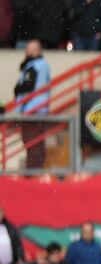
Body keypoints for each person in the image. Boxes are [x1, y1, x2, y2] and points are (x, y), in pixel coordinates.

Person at [13, 40, 50, 169]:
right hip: (36, 110)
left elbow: (27, 85)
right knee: (34, 143)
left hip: (32, 110)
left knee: (33, 144)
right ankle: (34, 171)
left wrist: (17, 89)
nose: (26, 52)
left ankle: (33, 173)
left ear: (35, 51)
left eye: (28, 49)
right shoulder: (39, 65)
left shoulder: (35, 66)